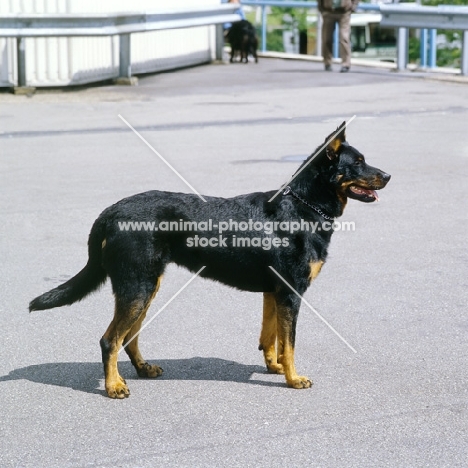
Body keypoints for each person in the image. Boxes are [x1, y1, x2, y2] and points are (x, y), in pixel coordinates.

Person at [318, 0, 359, 73]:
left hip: (344, 12)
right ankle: (327, 63)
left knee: (344, 38)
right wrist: (322, 9)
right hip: (328, 11)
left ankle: (346, 64)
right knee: (326, 38)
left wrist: (353, 7)